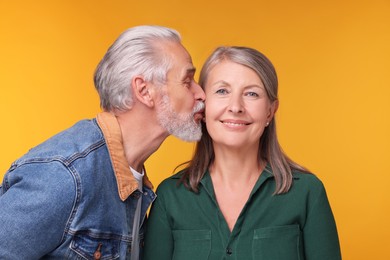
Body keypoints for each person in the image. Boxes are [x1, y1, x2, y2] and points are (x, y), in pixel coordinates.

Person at [0, 25, 205, 259]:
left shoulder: (135, 181)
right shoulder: (66, 176)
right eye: (188, 81)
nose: (201, 94)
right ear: (144, 90)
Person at [143, 46, 342, 260]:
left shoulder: (307, 193)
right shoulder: (170, 197)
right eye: (222, 91)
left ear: (270, 111)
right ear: (203, 105)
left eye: (251, 94)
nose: (236, 107)